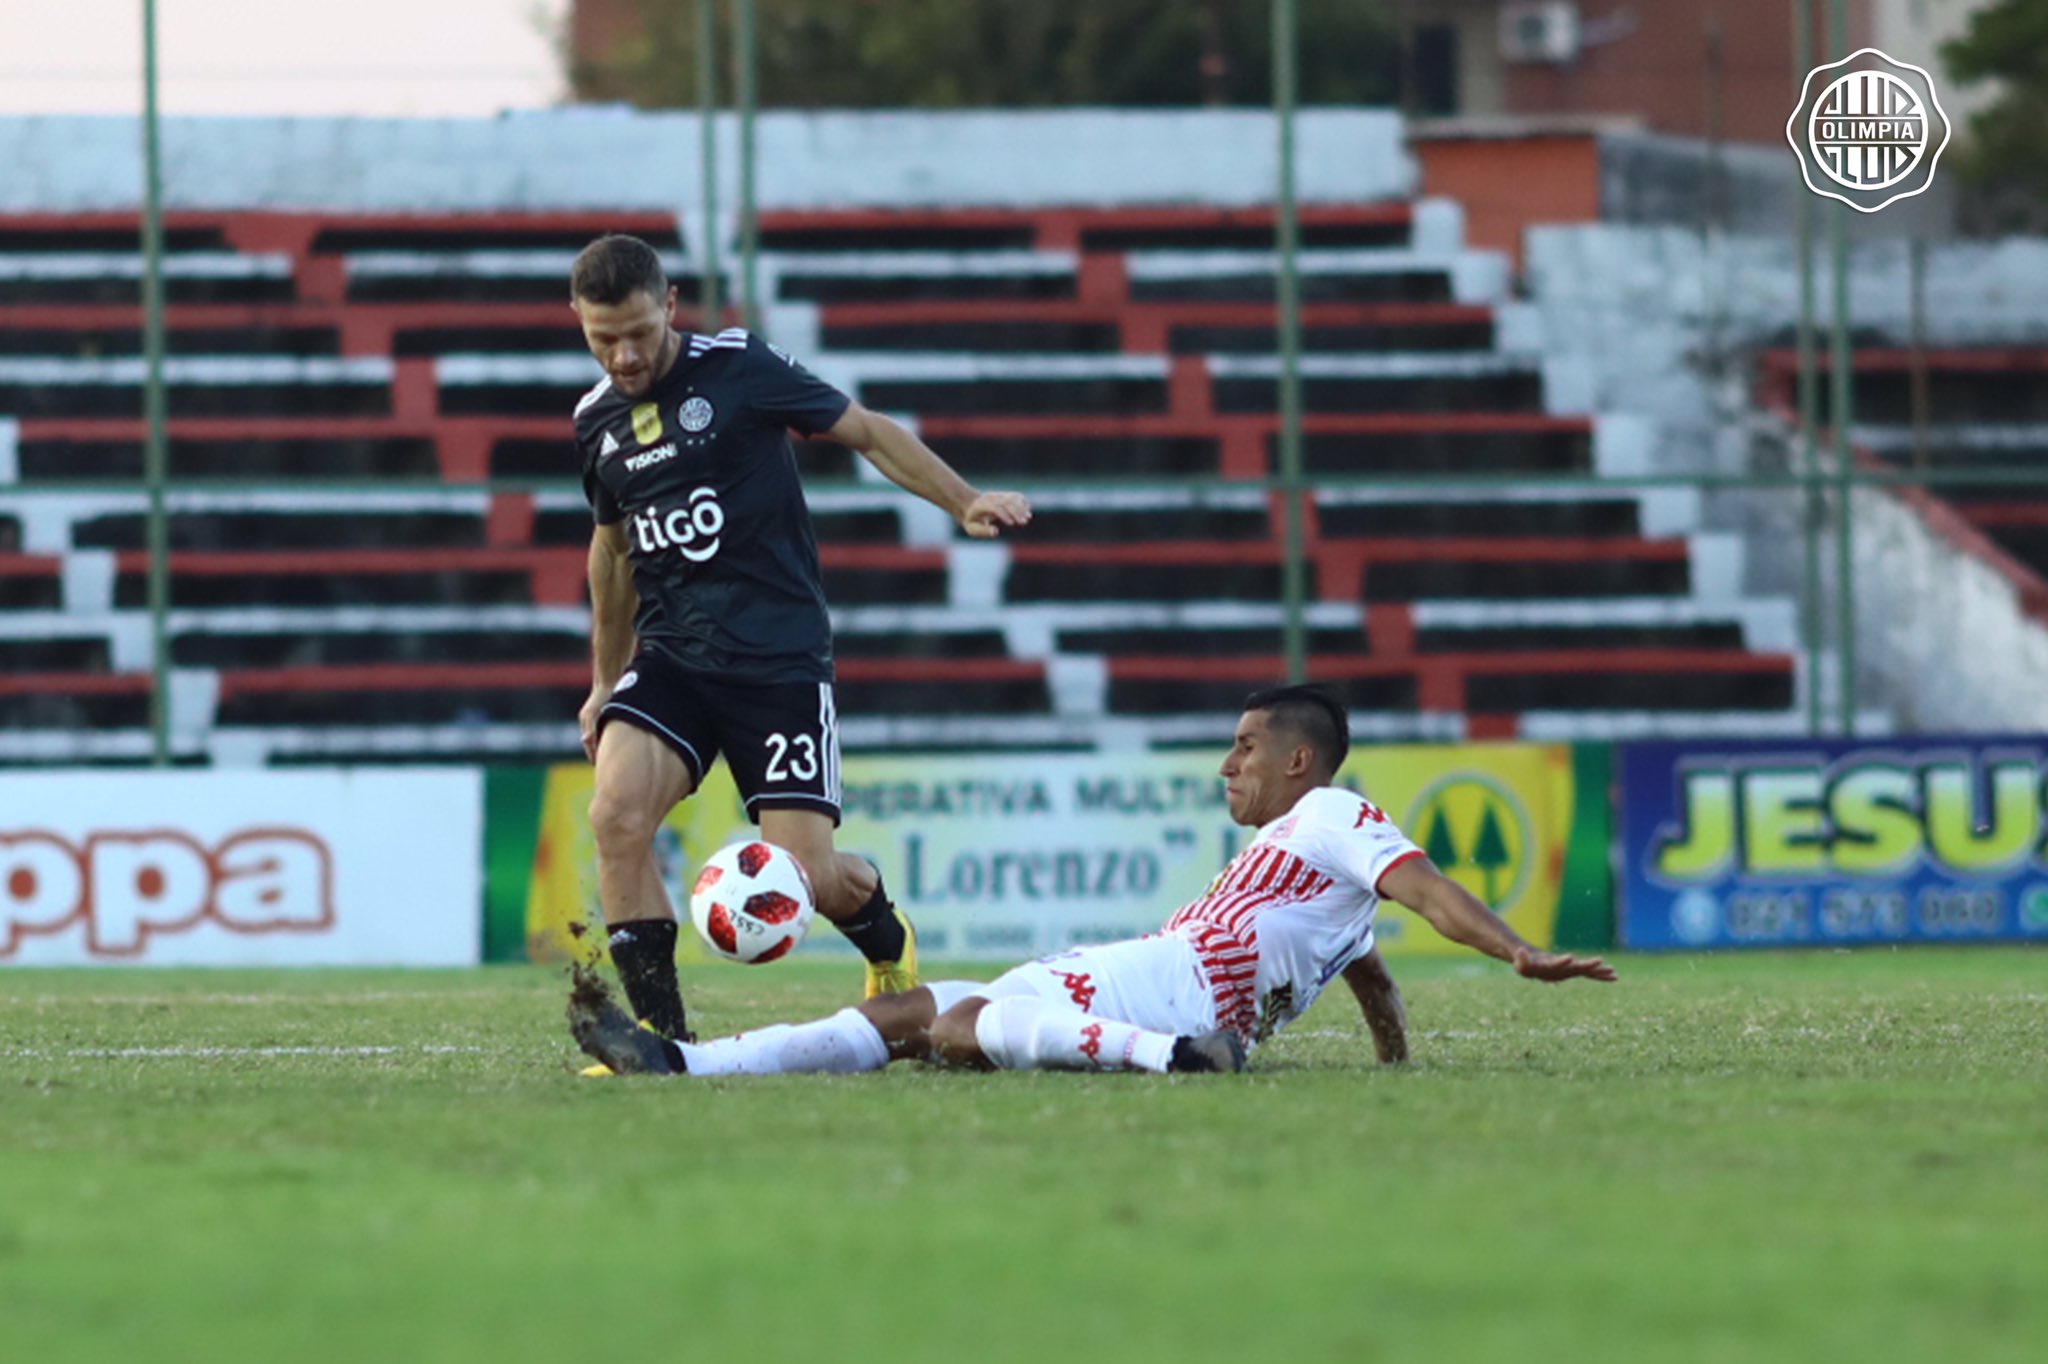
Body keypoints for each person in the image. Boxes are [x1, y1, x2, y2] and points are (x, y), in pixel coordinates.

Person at [568, 685, 1616, 1078]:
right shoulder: (1318, 875)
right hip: (1155, 980)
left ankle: (1172, 1061)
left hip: (1167, 991)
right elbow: (1370, 969)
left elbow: (1426, 886)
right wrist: (1394, 1064)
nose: (1227, 765)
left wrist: (1514, 949)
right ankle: (679, 1065)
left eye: (1244, 747)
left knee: (954, 1025)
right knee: (916, 1011)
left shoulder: (1333, 813)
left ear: (1299, 760)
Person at [568, 233, 1032, 1048]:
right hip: (672, 654)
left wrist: (961, 501)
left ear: (671, 306)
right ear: (578, 322)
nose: (625, 353)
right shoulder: (595, 421)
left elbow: (868, 431)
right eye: (603, 337)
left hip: (777, 658)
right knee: (616, 816)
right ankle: (660, 1043)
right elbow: (612, 551)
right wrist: (606, 680)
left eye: (639, 331)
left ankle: (886, 936)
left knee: (811, 879)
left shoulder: (740, 367)